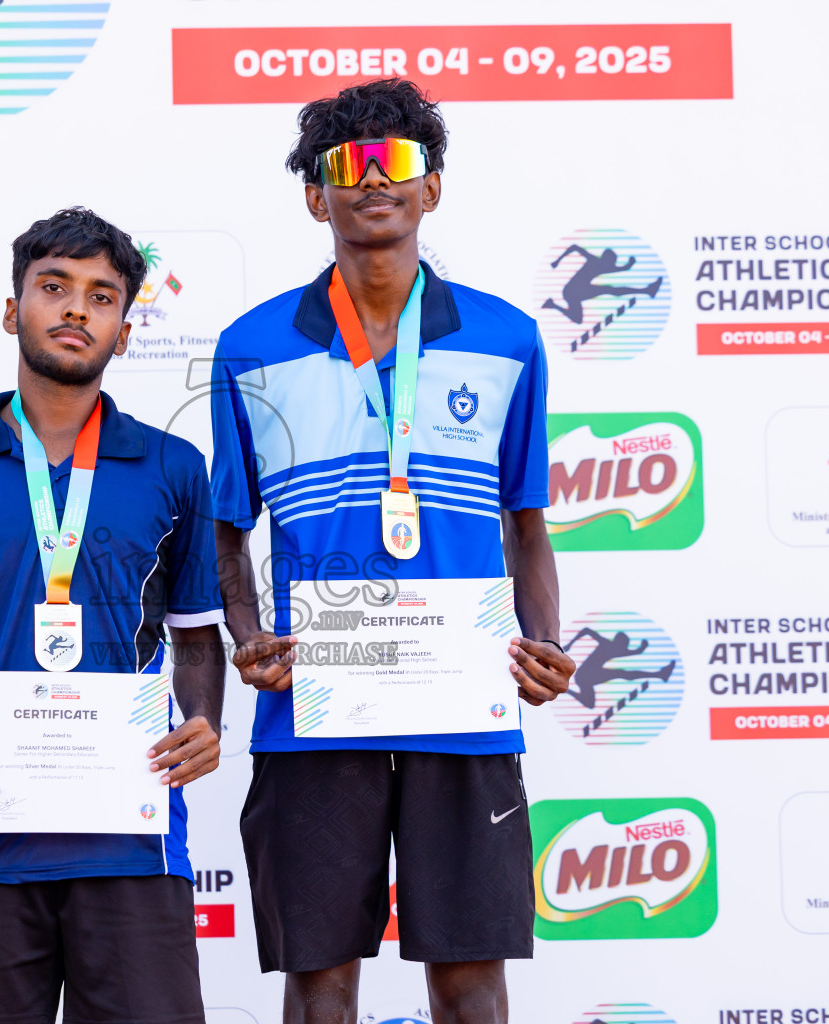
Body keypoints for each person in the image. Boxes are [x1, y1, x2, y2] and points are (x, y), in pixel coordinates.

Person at [208, 79, 578, 1024]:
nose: (375, 178)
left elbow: (525, 524)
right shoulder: (251, 348)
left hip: (465, 701)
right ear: (314, 196)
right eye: (348, 164)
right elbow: (226, 531)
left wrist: (545, 640)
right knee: (321, 983)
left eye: (398, 160)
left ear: (433, 187)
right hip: (315, 701)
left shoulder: (508, 338)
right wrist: (248, 634)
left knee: (470, 985)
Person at [0, 207, 226, 1024]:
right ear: (11, 311)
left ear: (125, 332)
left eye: (103, 297)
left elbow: (198, 635)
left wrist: (204, 719)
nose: (77, 310)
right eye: (54, 288)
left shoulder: (174, 466)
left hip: (134, 837)